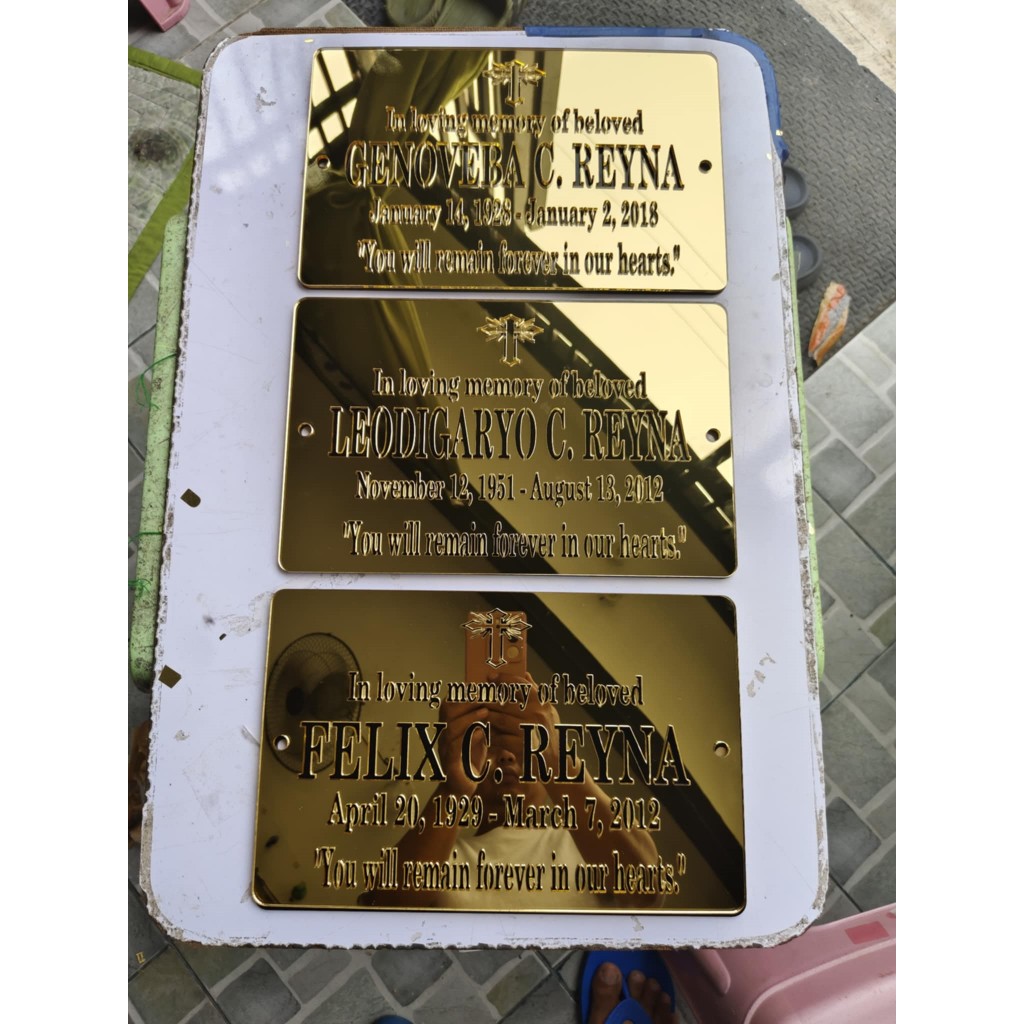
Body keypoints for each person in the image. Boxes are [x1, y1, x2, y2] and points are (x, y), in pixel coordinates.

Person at [367, 672, 661, 910]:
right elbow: (384, 916)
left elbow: (647, 890)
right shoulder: (444, 858)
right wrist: (453, 788)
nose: (507, 756)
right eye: (490, 745)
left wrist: (555, 759)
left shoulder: (585, 841)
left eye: (520, 745)